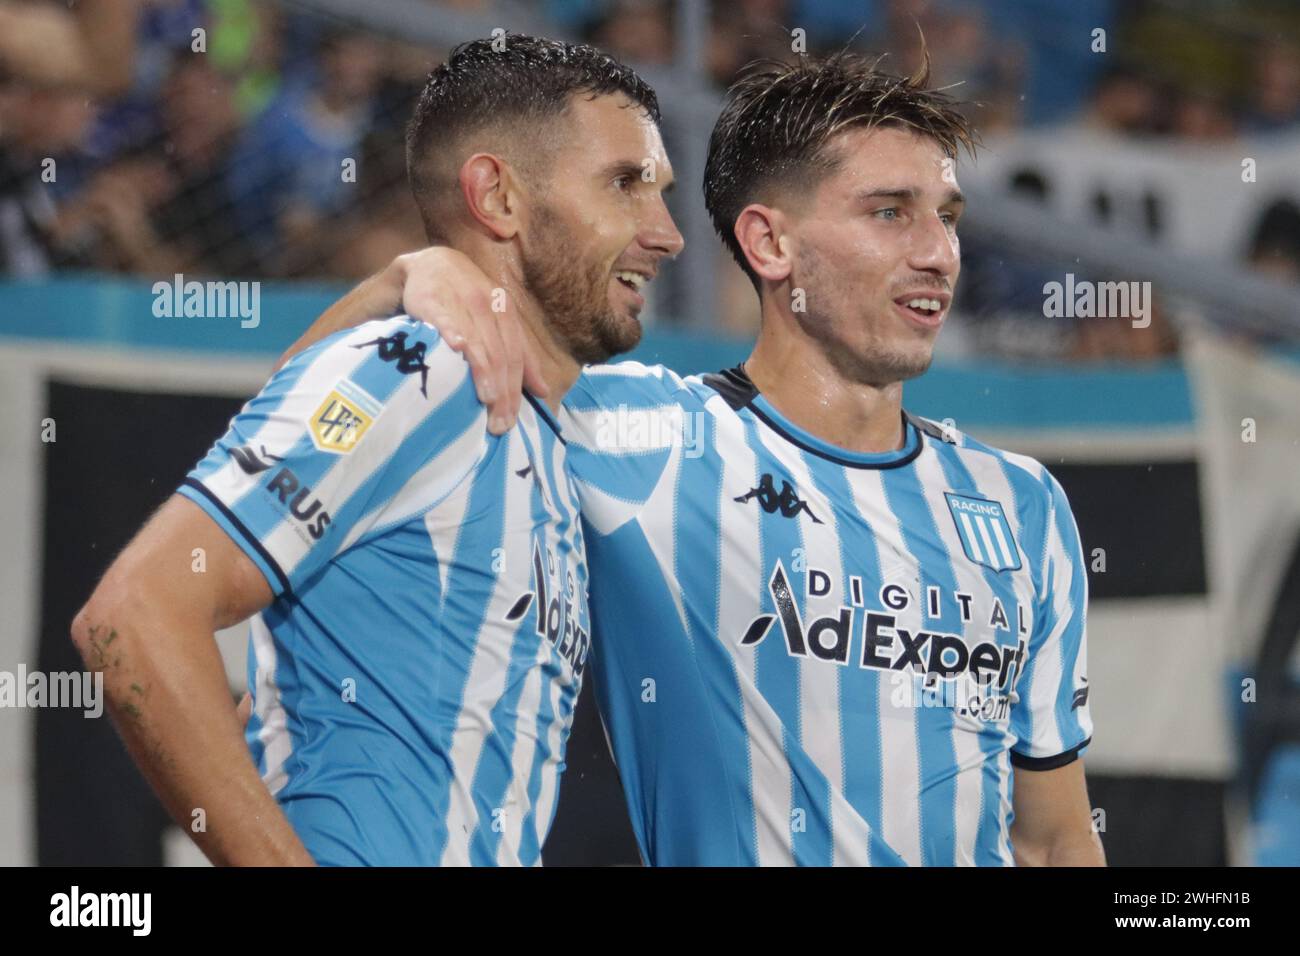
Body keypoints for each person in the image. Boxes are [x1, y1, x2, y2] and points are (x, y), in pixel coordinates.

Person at [282, 49, 1103, 867]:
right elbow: (287, 433)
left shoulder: (1021, 504)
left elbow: (1057, 840)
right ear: (769, 243)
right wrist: (401, 282)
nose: (938, 253)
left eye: (947, 216)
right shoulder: (644, 436)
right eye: (889, 213)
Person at [71, 34, 682, 866]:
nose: (669, 234)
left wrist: (392, 281)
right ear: (497, 197)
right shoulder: (426, 370)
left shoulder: (539, 415)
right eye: (625, 185)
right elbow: (131, 619)